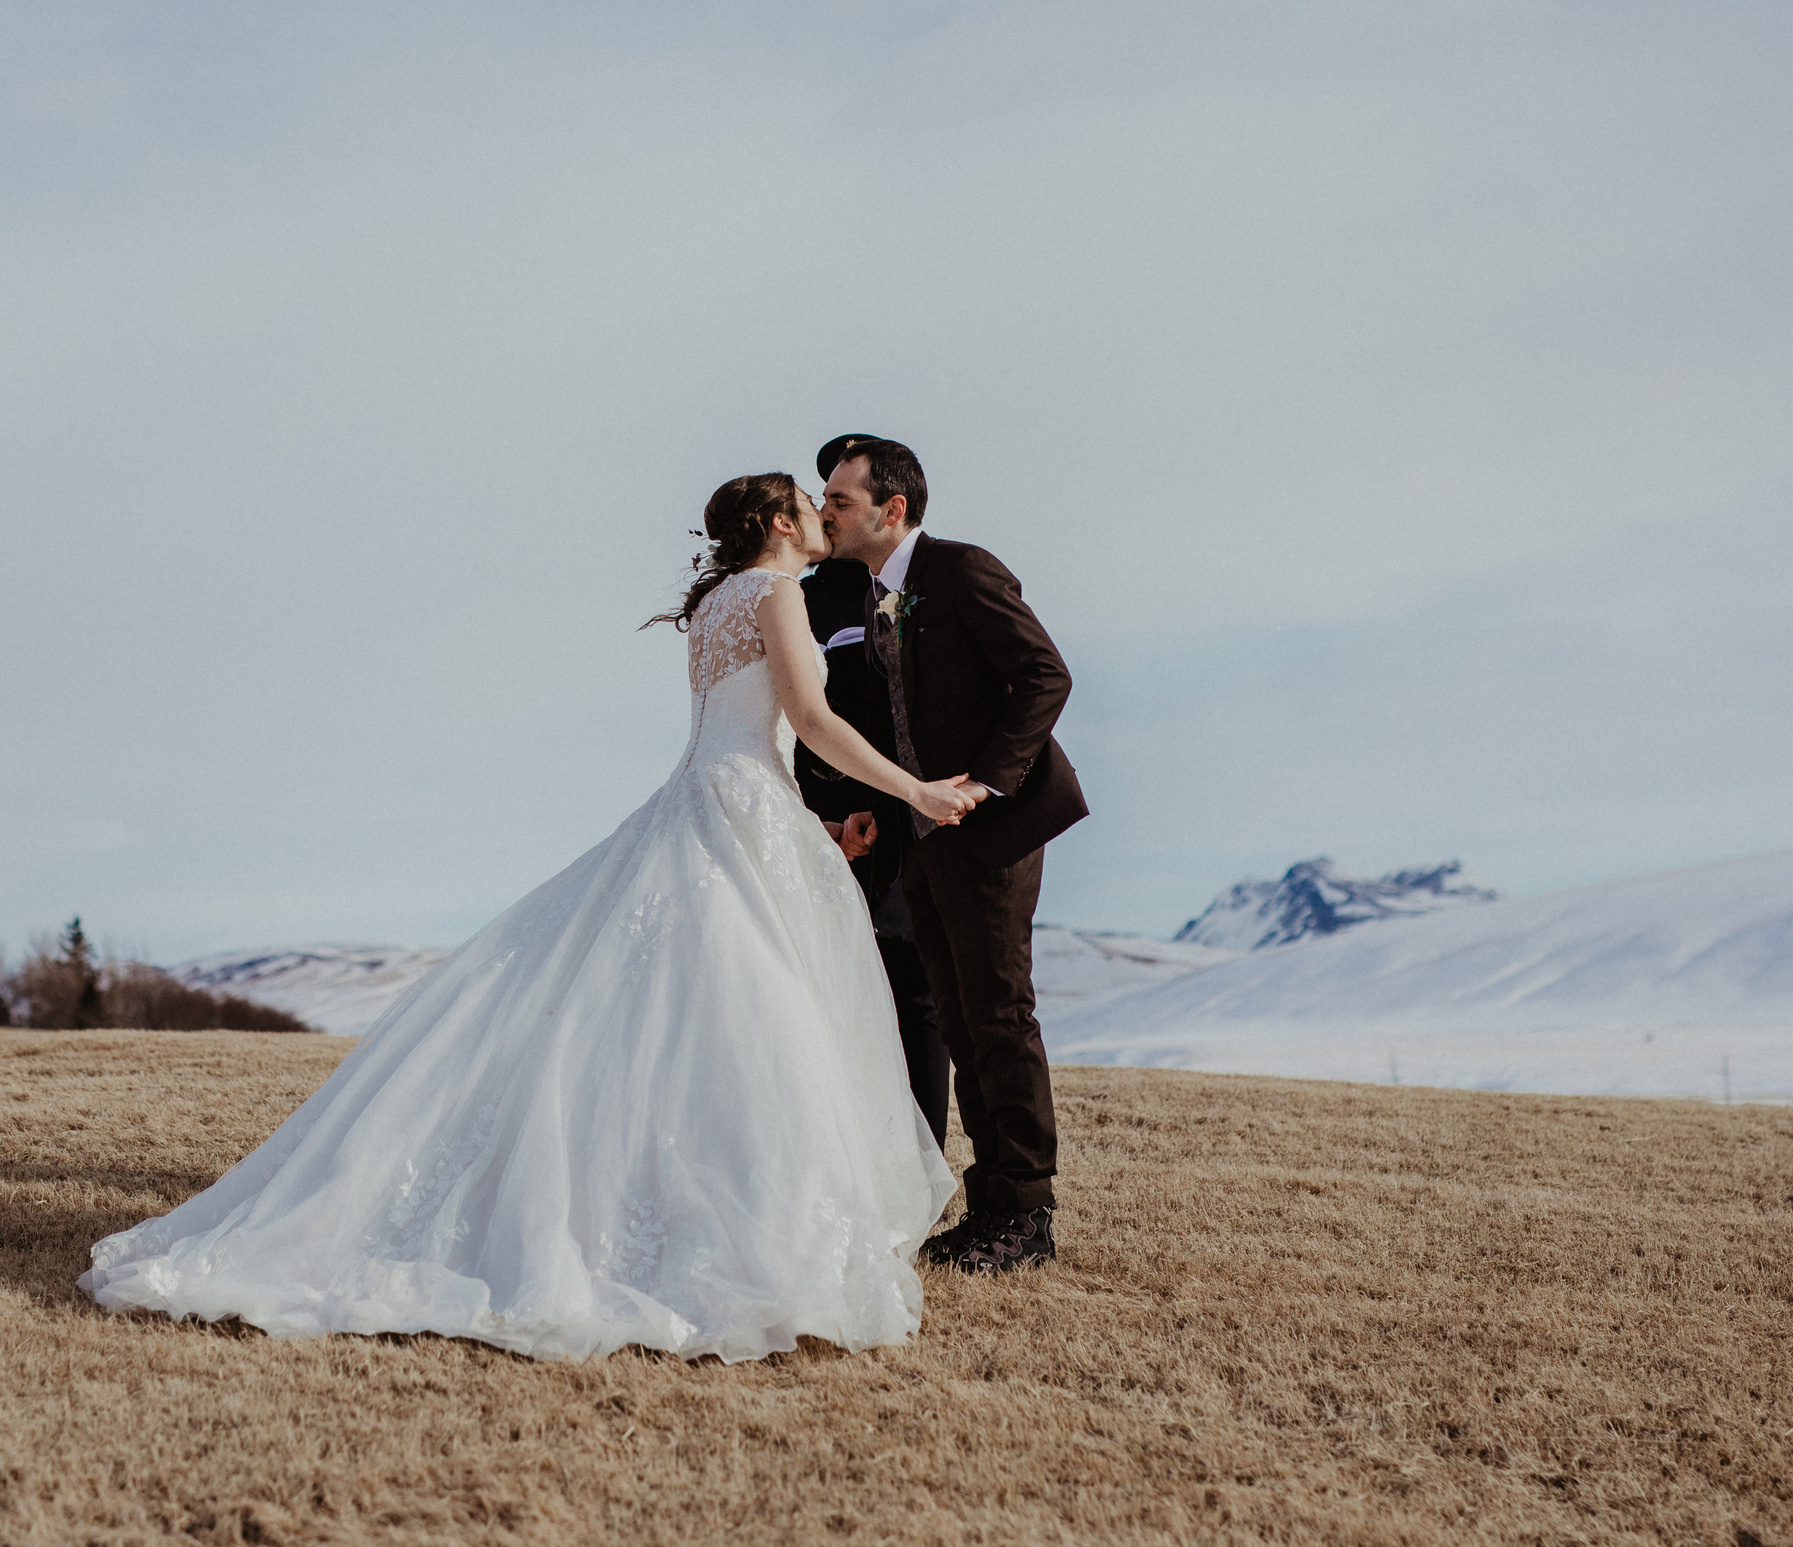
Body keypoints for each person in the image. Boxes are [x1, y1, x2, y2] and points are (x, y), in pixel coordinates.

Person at [80, 473, 975, 1361]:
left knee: (694, 1017)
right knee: (748, 1021)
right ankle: (745, 1227)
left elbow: (739, 736)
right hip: (741, 811)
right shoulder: (777, 593)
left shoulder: (716, 606)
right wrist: (916, 790)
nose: (823, 513)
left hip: (708, 802)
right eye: (810, 503)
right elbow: (808, 720)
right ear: (779, 521)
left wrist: (817, 823)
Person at [819, 439, 1087, 1274]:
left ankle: (1028, 1215)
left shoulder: (963, 569)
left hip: (989, 831)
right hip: (921, 841)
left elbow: (1045, 675)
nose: (825, 511)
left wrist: (985, 782)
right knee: (964, 1022)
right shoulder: (874, 593)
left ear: (891, 508)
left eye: (840, 499)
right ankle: (989, 1208)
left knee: (999, 1015)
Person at [795, 434, 951, 1146]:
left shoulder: (931, 581)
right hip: (830, 815)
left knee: (916, 989)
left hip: (916, 812)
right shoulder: (802, 597)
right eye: (824, 496)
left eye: (841, 497)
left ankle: (921, 1164)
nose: (827, 510)